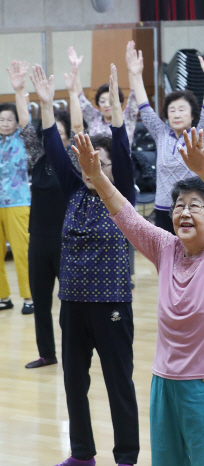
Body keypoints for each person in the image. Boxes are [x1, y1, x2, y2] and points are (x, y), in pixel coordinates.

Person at [76, 126, 204, 466]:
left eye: (195, 206)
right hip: (165, 383)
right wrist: (97, 176)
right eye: (179, 205)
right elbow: (126, 215)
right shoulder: (166, 248)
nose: (184, 212)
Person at [32, 63, 139, 466]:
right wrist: (46, 105)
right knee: (74, 383)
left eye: (103, 163)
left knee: (118, 384)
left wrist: (116, 115)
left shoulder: (122, 196)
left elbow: (121, 149)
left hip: (111, 304)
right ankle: (81, 454)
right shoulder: (74, 189)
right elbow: (54, 146)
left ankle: (126, 456)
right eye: (89, 162)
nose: (95, 168)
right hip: (73, 305)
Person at [8, 59, 79, 368]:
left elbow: (77, 128)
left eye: (60, 132)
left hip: (67, 240)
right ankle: (47, 353)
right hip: (38, 239)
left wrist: (73, 89)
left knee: (70, 302)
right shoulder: (37, 158)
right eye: (54, 132)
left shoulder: (73, 162)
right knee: (40, 300)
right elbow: (26, 125)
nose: (57, 136)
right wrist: (21, 90)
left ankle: (74, 350)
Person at [128, 42, 204, 233]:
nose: (176, 114)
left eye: (182, 109)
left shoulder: (200, 134)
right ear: (167, 116)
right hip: (163, 208)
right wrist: (135, 75)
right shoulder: (161, 133)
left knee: (194, 256)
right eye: (172, 110)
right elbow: (144, 108)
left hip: (194, 208)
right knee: (167, 259)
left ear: (192, 115)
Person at [0, 69, 33, 314]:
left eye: (8, 119)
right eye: (1, 120)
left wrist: (20, 91)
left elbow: (26, 120)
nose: (5, 123)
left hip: (18, 202)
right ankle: (3, 296)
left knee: (22, 252)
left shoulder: (22, 138)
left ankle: (30, 296)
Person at [67, 44, 139, 143]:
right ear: (98, 104)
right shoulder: (93, 118)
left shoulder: (128, 117)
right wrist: (75, 68)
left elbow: (135, 94)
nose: (107, 105)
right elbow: (80, 97)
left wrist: (132, 71)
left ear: (120, 103)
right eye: (102, 101)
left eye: (111, 101)